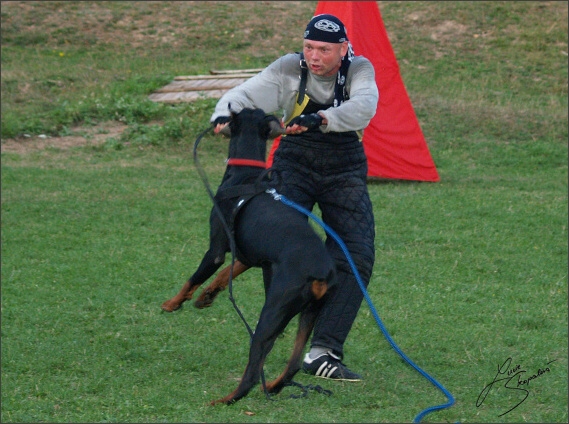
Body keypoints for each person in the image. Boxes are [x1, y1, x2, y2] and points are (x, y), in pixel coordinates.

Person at [211, 14, 378, 381]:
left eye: (324, 49)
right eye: (309, 47)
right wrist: (223, 115)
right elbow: (242, 95)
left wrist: (322, 119)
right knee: (281, 247)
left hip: (344, 167)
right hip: (294, 161)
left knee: (356, 251)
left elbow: (365, 106)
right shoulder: (289, 67)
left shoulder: (359, 70)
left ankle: (323, 351)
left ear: (343, 49)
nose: (314, 56)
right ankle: (269, 341)